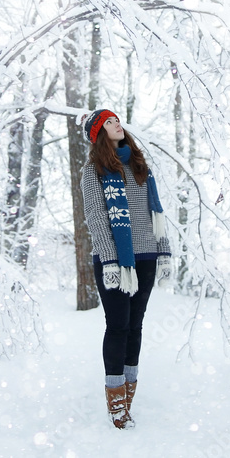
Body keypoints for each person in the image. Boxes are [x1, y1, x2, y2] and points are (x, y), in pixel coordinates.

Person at [80, 109, 173, 429]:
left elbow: (155, 215)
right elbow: (95, 218)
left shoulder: (139, 166)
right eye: (108, 122)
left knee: (136, 326)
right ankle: (116, 402)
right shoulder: (93, 171)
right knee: (118, 326)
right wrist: (108, 259)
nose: (116, 123)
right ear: (98, 133)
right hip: (117, 259)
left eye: (116, 119)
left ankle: (128, 396)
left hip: (146, 256)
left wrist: (164, 253)